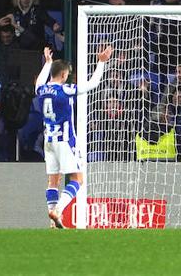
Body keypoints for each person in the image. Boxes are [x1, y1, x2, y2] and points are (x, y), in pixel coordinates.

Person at [34, 44, 113, 228]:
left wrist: (47, 63)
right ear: (63, 75)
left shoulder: (41, 90)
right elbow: (92, 84)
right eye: (67, 74)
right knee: (78, 180)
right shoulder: (65, 89)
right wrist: (101, 63)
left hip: (49, 141)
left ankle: (53, 223)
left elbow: (39, 82)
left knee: (53, 180)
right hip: (65, 140)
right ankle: (58, 211)